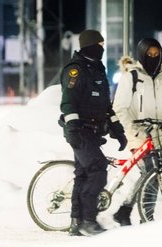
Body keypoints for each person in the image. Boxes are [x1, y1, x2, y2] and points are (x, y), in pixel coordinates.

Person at [59, 29, 128, 236]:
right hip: (80, 131)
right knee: (98, 168)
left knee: (83, 175)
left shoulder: (97, 68)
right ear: (89, 46)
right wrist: (72, 129)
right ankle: (89, 220)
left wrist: (117, 130)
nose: (102, 48)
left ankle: (76, 222)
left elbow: (106, 106)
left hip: (94, 130)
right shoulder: (76, 70)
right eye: (99, 44)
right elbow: (68, 103)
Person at [111, 38, 162, 225]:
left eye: (156, 55)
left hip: (156, 134)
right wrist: (134, 130)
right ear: (142, 54)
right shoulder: (132, 76)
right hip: (136, 133)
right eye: (149, 54)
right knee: (152, 173)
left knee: (151, 174)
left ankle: (125, 210)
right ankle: (147, 218)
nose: (153, 58)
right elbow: (119, 107)